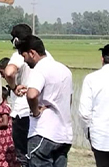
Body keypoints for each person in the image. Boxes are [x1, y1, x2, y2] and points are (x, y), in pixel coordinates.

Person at [15, 36, 72, 167]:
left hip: (43, 133)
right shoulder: (64, 69)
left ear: (32, 53)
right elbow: (68, 99)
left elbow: (32, 95)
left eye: (24, 56)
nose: (25, 61)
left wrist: (35, 112)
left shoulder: (39, 69)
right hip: (63, 134)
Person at [1, 24, 53, 167]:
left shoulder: (19, 54)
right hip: (42, 111)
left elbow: (9, 72)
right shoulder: (47, 55)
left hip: (23, 111)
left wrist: (14, 87)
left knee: (23, 155)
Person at [0, 60, 20, 167]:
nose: (1, 75)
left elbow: (4, 122)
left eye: (1, 72)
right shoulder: (10, 85)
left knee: (5, 154)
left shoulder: (17, 83)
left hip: (5, 134)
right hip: (6, 132)